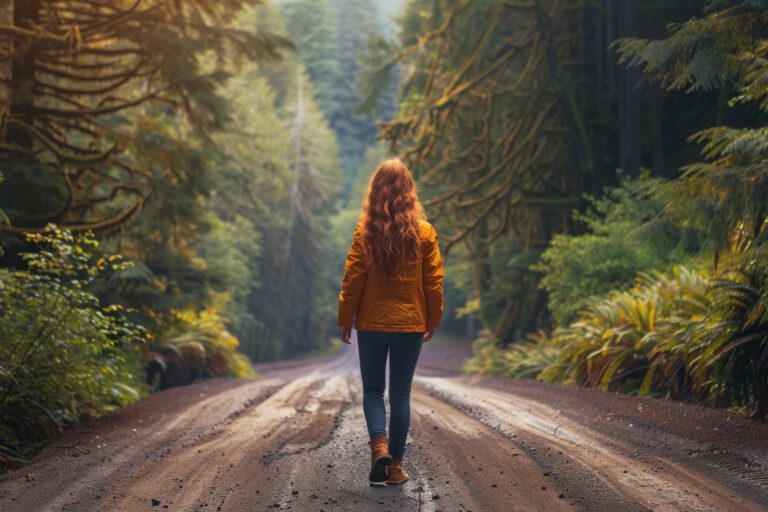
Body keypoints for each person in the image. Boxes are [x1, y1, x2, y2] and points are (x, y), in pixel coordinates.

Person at [337, 159, 444, 486]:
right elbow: (434, 282)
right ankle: (395, 468)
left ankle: (379, 446)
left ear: (375, 191)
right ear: (409, 191)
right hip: (410, 324)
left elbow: (352, 278)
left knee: (372, 389)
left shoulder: (364, 230)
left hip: (371, 323)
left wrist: (345, 317)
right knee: (400, 394)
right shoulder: (424, 232)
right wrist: (433, 319)